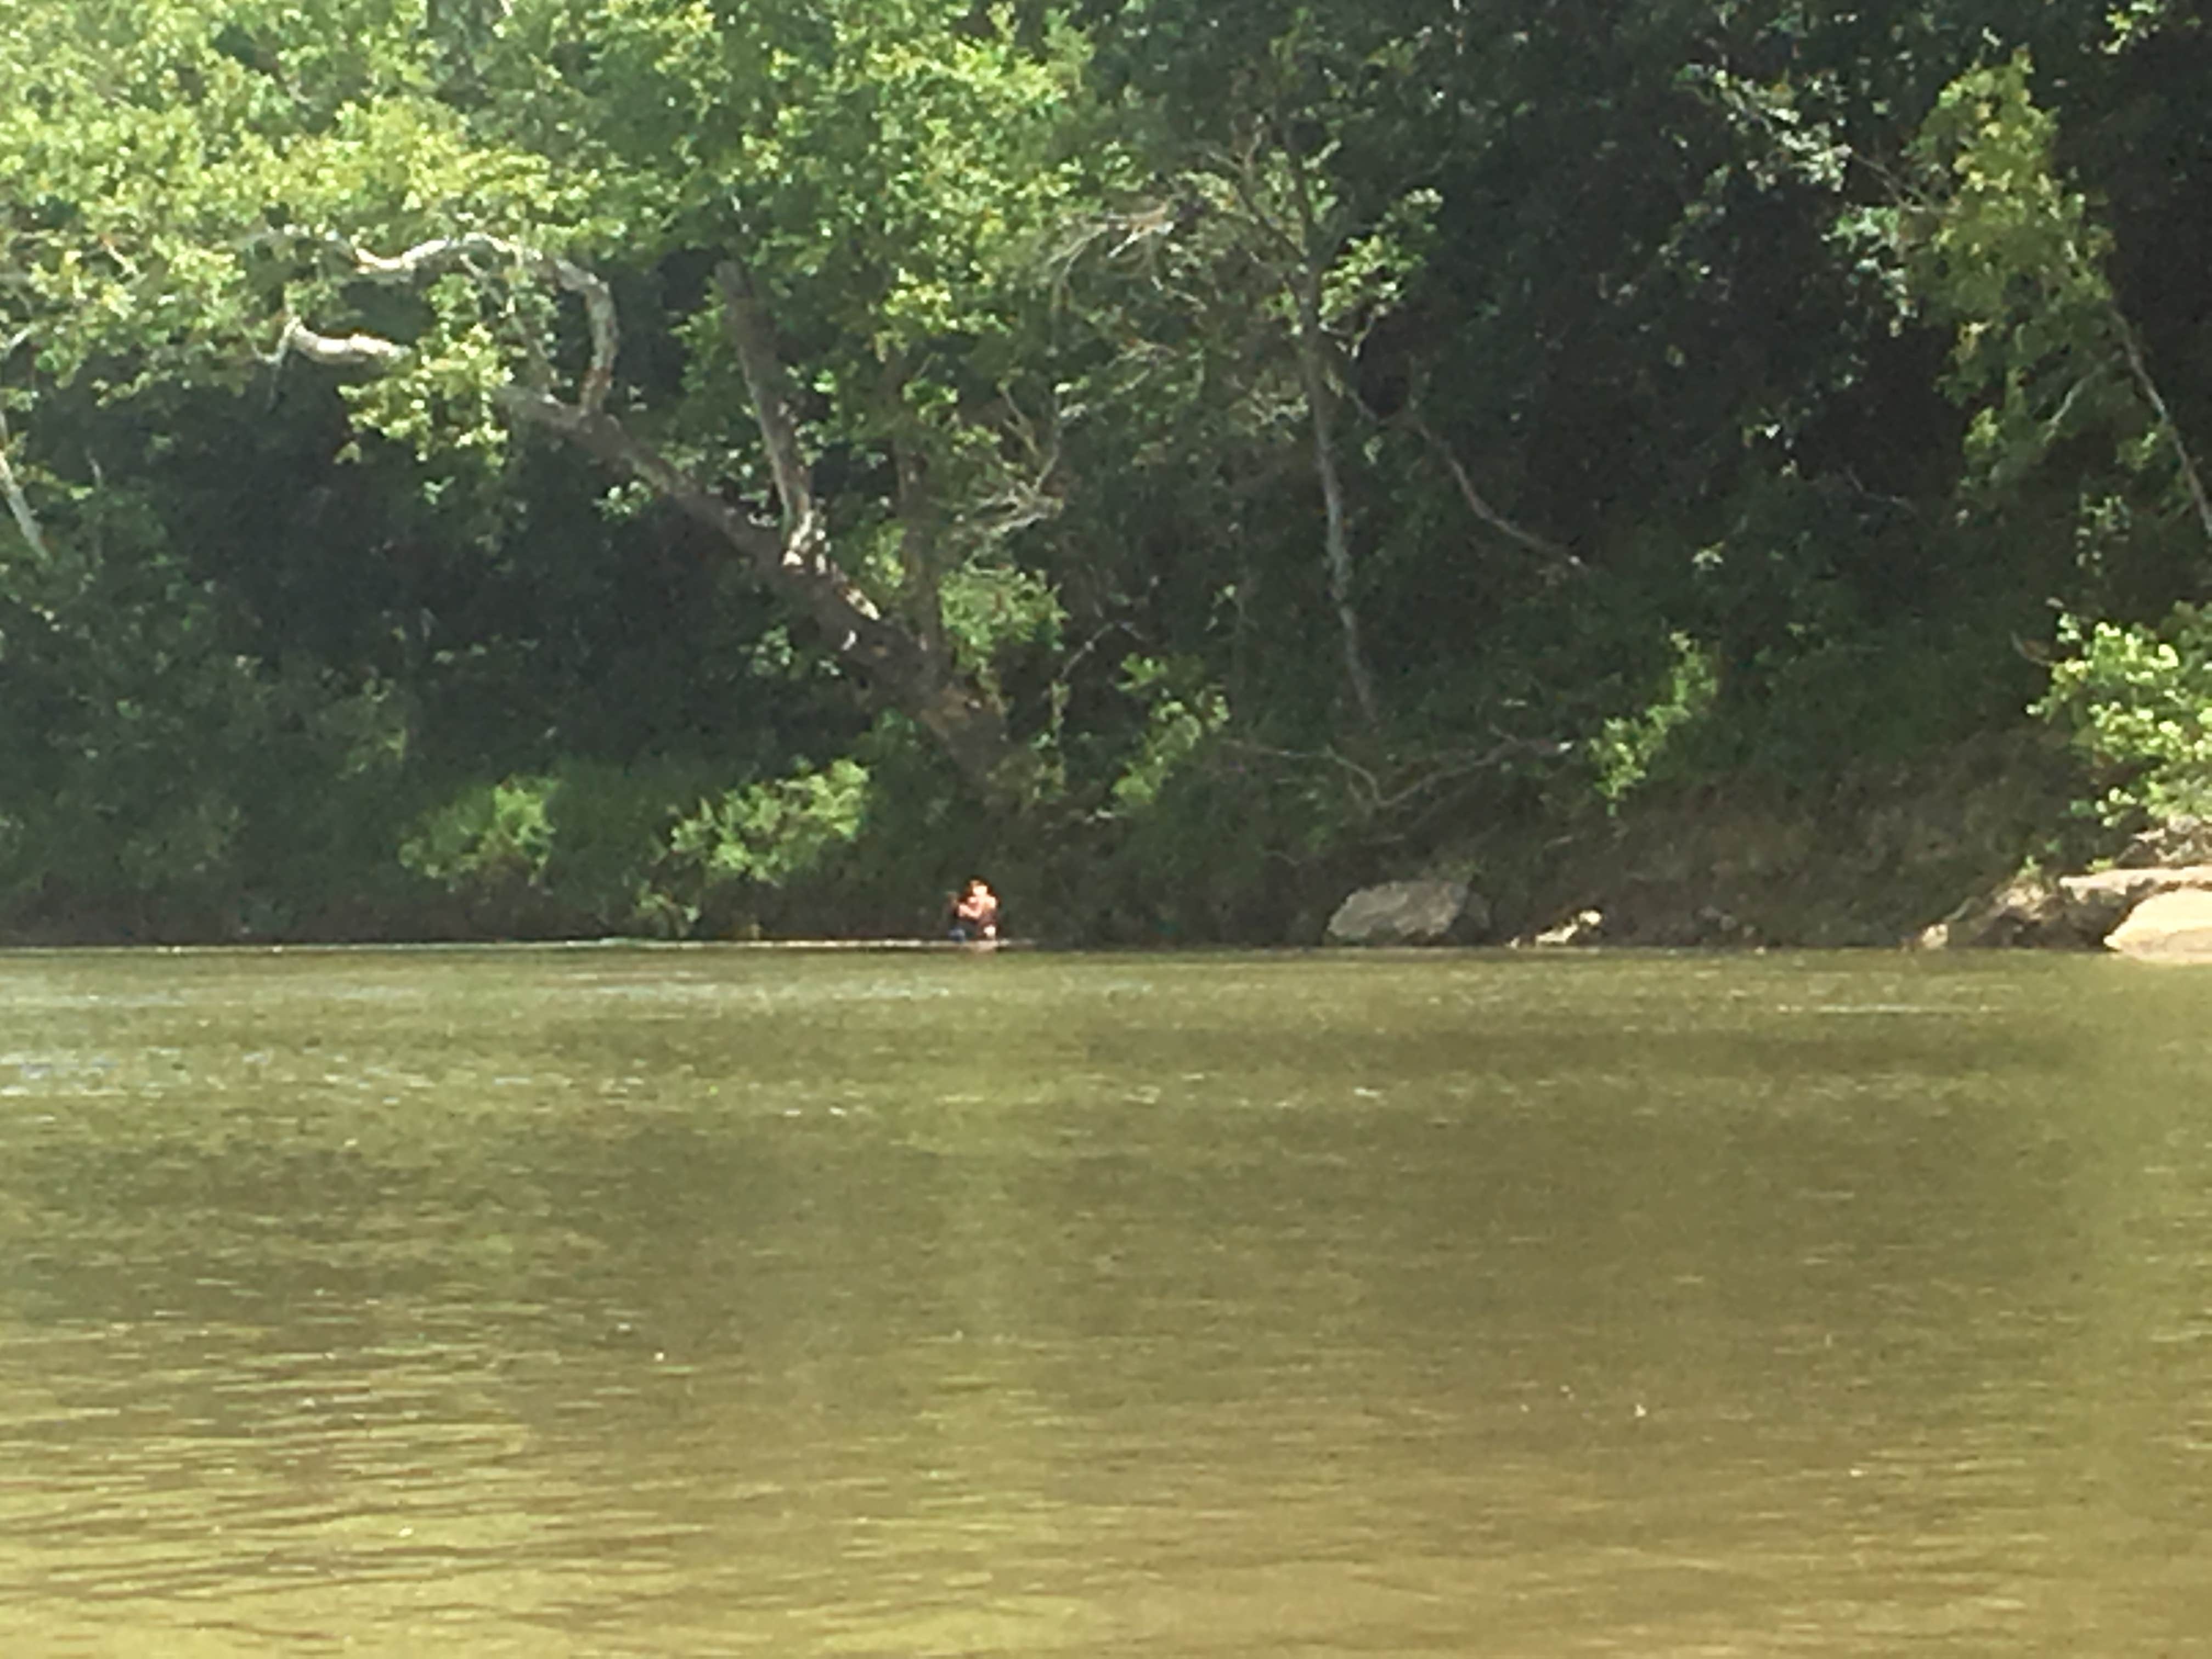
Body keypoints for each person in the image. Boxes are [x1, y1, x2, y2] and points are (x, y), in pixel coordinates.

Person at [949, 877, 1001, 944]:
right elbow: (976, 915)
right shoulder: (963, 907)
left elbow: (992, 903)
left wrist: (982, 899)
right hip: (967, 937)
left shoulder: (990, 902)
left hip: (984, 936)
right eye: (974, 896)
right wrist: (980, 900)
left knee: (990, 928)